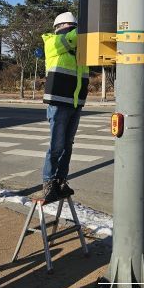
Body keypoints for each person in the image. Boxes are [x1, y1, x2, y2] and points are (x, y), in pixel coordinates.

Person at [41, 11, 89, 202]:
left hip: (75, 102)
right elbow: (72, 37)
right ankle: (48, 182)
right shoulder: (52, 42)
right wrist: (86, 26)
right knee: (57, 145)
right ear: (60, 29)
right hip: (59, 101)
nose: (71, 31)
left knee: (67, 145)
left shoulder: (80, 49)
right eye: (69, 28)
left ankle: (61, 180)